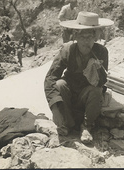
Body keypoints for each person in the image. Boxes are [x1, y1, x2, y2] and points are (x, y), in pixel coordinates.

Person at [44, 11, 114, 143]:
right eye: (82, 37)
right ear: (76, 37)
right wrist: (54, 106)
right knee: (59, 85)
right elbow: (50, 78)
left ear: (96, 37)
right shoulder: (67, 50)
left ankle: (86, 126)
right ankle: (65, 123)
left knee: (96, 90)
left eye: (90, 37)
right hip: (69, 92)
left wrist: (95, 71)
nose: (85, 41)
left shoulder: (101, 52)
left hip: (87, 93)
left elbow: (102, 81)